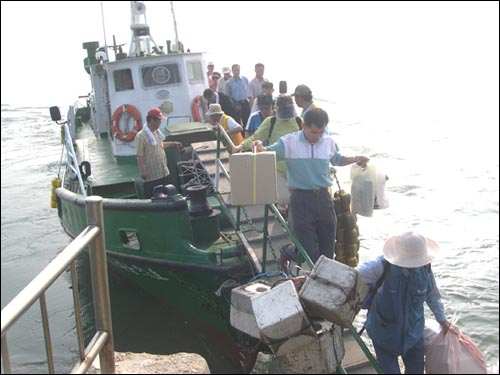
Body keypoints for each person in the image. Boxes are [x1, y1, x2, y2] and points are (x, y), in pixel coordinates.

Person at [252, 108, 369, 265]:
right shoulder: (288, 142)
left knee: (328, 250)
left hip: (324, 198)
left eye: (320, 133)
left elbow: (337, 159)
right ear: (304, 126)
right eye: (313, 132)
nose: (317, 137)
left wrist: (356, 159)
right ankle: (288, 251)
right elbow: (266, 153)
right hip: (300, 199)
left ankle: (321, 282)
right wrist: (258, 145)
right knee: (308, 249)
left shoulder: (329, 142)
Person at [356, 231, 451, 374]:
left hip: (414, 334)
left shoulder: (425, 269)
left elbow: (432, 296)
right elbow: (351, 275)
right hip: (384, 334)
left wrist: (443, 320)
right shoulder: (380, 267)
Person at [234, 95, 301, 215]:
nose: (286, 117)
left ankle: (289, 220)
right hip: (277, 168)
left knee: (297, 201)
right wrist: (241, 146)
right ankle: (281, 214)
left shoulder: (299, 122)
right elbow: (256, 137)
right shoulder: (271, 122)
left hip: (296, 169)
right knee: (284, 197)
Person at [135, 108, 182, 199]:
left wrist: (173, 144)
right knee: (153, 198)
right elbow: (139, 154)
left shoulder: (156, 132)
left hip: (164, 173)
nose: (160, 122)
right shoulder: (140, 136)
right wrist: (143, 171)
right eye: (159, 120)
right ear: (152, 120)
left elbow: (160, 145)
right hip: (152, 177)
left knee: (169, 196)